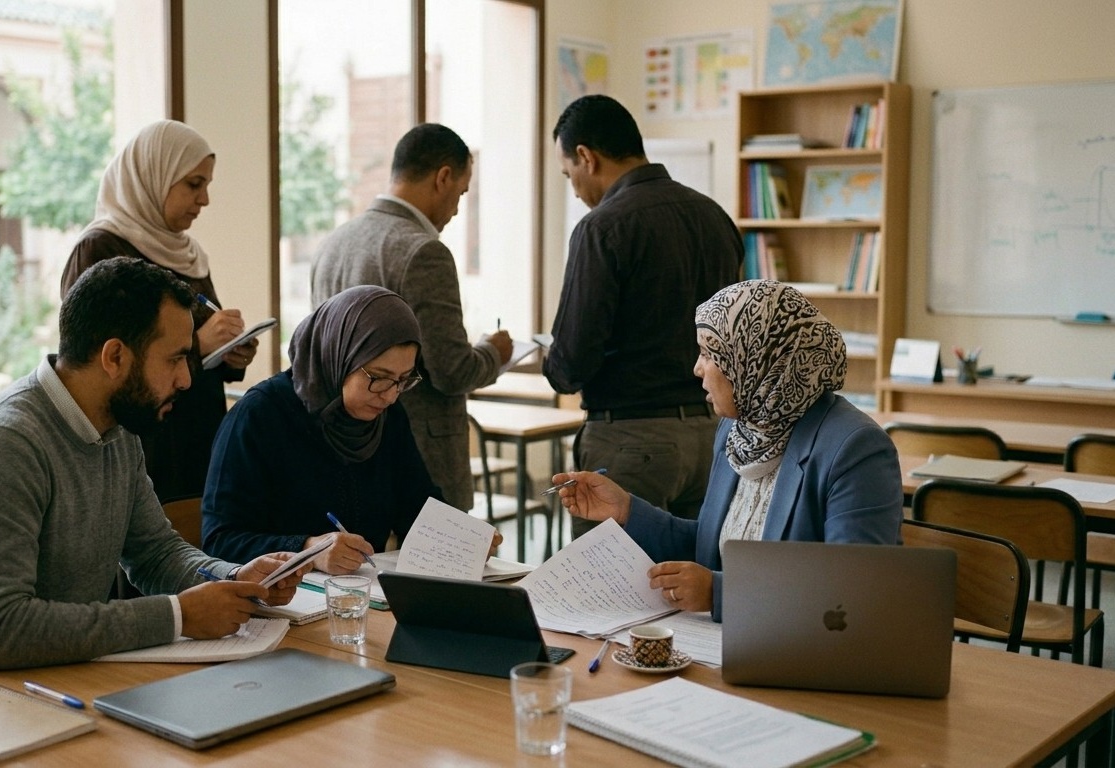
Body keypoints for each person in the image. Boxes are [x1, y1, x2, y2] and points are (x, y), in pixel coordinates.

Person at [0, 257, 305, 671]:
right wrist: (177, 616)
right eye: (175, 359)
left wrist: (233, 579)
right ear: (115, 357)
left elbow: (155, 553)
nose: (186, 380)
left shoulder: (118, 428)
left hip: (47, 675)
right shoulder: (3, 443)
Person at [554, 280, 901, 620]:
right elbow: (712, 546)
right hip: (728, 640)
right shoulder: (738, 430)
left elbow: (853, 590)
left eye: (709, 353)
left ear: (757, 359)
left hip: (801, 649)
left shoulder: (855, 449)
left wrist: (719, 592)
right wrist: (626, 510)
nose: (697, 368)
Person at [544, 95, 742, 538]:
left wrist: (550, 361)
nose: (574, 189)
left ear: (586, 157)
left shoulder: (601, 227)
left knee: (609, 578)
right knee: (692, 572)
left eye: (569, 174)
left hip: (630, 440)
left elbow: (572, 362)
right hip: (711, 435)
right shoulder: (715, 217)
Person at [202, 286, 486, 575]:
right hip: (282, 596)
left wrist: (461, 537)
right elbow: (219, 541)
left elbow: (416, 505)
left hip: (364, 592)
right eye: (379, 377)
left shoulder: (387, 415)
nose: (390, 395)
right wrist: (308, 550)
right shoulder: (259, 415)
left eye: (403, 379)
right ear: (338, 356)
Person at [310, 123, 512, 512]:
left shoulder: (332, 244)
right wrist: (495, 352)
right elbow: (452, 371)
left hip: (345, 448)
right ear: (443, 177)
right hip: (418, 461)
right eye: (461, 193)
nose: (457, 209)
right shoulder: (424, 252)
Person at [61, 119, 256, 502]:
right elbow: (97, 359)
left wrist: (230, 351)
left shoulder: (188, 253)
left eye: (207, 185)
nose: (204, 199)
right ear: (153, 176)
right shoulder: (101, 248)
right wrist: (198, 345)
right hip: (142, 444)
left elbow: (202, 332)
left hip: (197, 434)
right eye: (194, 184)